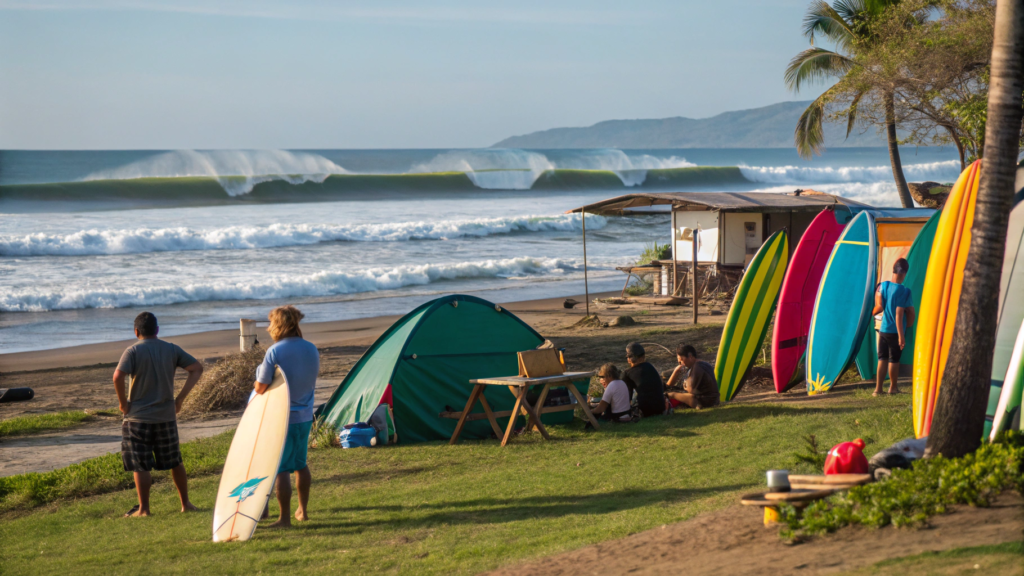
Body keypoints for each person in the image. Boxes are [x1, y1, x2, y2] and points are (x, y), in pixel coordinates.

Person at [113, 311, 203, 517]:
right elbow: (196, 368)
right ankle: (185, 503)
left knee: (140, 464)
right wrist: (179, 399)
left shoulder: (132, 351)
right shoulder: (171, 349)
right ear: (157, 330)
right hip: (166, 416)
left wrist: (122, 403)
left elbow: (117, 376)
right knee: (175, 460)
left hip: (137, 418)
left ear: (136, 332)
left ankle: (144, 509)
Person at [253, 305, 320, 528]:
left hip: (283, 418)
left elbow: (261, 387)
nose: (268, 327)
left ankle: (284, 519)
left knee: (281, 468)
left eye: (271, 323)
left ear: (279, 325)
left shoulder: (275, 351)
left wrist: (256, 379)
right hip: (305, 417)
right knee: (301, 464)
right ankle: (303, 510)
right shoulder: (311, 348)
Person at [872, 258, 915, 396]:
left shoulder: (882, 286)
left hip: (883, 330)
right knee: (894, 360)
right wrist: (902, 334)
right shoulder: (904, 290)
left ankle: (878, 389)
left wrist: (868, 315)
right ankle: (893, 388)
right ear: (904, 273)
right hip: (895, 332)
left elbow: (879, 307)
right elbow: (900, 313)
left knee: (882, 359)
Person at [665, 344, 720, 409]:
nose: (681, 364)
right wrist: (676, 372)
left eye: (681, 360)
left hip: (704, 401)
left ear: (690, 356)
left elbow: (690, 389)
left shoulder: (697, 367)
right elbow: (668, 385)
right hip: (713, 400)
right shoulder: (704, 364)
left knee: (670, 394)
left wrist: (685, 385)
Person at [621, 342, 665, 417]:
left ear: (629, 359)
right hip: (660, 408)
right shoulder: (650, 366)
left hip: (646, 411)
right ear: (643, 356)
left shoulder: (627, 373)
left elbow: (627, 396)